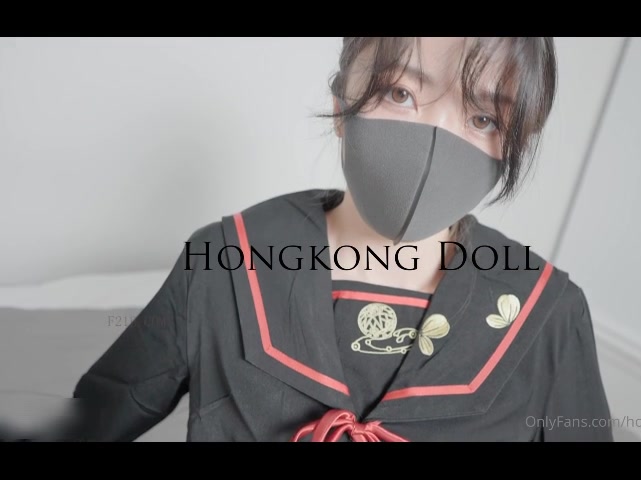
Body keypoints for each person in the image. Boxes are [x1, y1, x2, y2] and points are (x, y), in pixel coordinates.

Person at [71, 37, 613, 442]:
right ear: (340, 105)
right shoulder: (225, 261)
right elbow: (93, 417)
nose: (437, 140)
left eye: (483, 118)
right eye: (400, 92)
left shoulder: (550, 314)